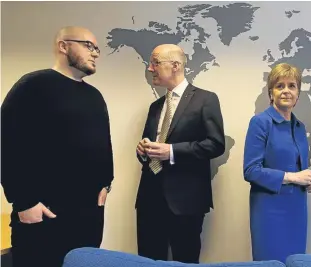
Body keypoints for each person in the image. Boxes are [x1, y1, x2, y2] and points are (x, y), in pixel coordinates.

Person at [1, 26, 114, 267]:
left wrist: (107, 183)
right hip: (44, 213)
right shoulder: (33, 85)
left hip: (88, 216)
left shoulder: (94, 95)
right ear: (63, 46)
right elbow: (7, 142)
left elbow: (104, 145)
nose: (95, 53)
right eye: (88, 46)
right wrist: (24, 201)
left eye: (97, 49)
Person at [135, 44, 225, 263]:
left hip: (186, 202)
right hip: (149, 199)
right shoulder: (155, 106)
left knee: (185, 261)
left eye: (155, 62)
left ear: (175, 65)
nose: (150, 68)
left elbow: (216, 144)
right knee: (147, 261)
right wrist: (143, 151)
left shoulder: (206, 99)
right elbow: (149, 149)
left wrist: (172, 151)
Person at [243, 63, 311, 263]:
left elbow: (298, 168)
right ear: (271, 93)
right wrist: (294, 177)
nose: (286, 91)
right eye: (280, 86)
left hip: (297, 209)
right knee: (271, 262)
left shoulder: (299, 126)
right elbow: (251, 171)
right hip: (270, 210)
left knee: (296, 262)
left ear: (298, 93)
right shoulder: (260, 122)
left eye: (292, 86)